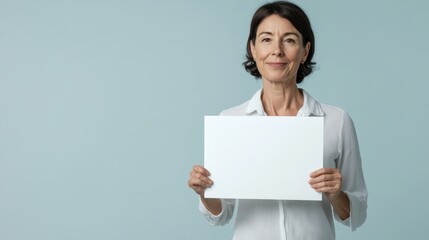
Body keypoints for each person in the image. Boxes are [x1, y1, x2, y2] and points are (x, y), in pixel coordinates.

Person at [187, 1, 367, 239]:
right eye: (266, 39)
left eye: (290, 40)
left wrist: (335, 194)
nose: (277, 50)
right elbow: (222, 213)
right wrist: (204, 192)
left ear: (305, 51)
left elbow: (358, 214)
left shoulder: (336, 121)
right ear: (253, 49)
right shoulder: (231, 122)